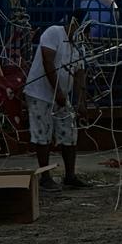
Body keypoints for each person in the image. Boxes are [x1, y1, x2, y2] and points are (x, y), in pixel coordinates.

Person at [24, 12, 88, 190]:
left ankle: (70, 175)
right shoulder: (54, 33)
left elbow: (80, 74)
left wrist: (81, 102)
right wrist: (58, 92)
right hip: (40, 93)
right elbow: (48, 62)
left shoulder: (79, 46)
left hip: (61, 96)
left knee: (69, 133)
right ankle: (45, 177)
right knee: (42, 134)